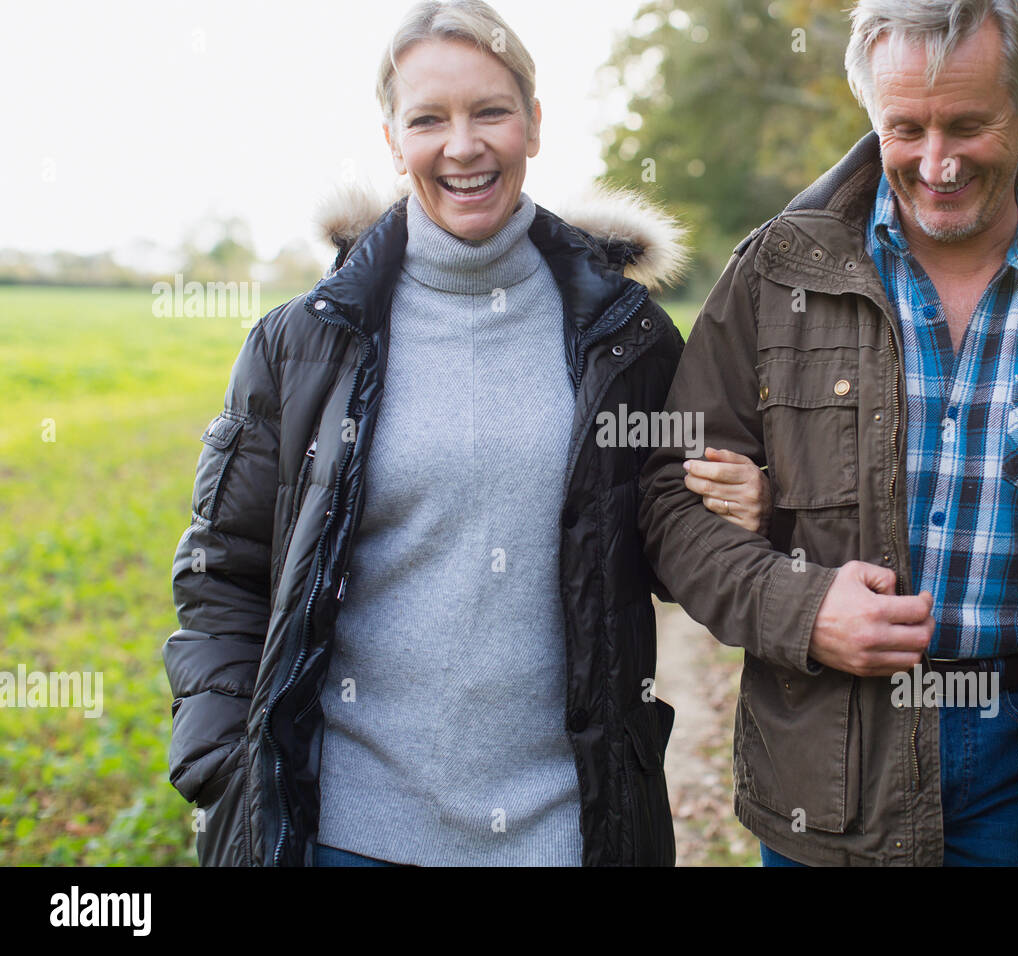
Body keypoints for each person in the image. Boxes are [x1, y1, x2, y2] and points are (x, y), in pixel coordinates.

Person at [162, 0, 769, 867]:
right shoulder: (302, 345)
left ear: (533, 122)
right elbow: (223, 572)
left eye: (490, 110)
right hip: (345, 835)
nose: (462, 145)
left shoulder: (625, 336)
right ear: (390, 138)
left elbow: (667, 539)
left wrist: (734, 510)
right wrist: (226, 762)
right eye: (428, 119)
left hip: (565, 833)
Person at [639, 0, 1018, 866]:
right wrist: (802, 609)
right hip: (830, 775)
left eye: (967, 124)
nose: (937, 163)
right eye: (905, 128)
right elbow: (665, 504)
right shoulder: (777, 274)